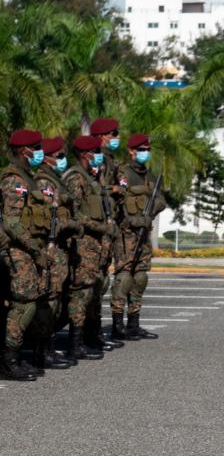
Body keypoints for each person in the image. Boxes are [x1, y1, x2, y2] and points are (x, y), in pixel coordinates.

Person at [0, 129, 50, 380]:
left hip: (29, 248)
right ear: (24, 150)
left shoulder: (29, 177)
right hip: (19, 249)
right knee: (23, 304)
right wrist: (35, 249)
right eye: (35, 147)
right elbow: (11, 223)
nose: (40, 151)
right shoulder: (15, 180)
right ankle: (9, 361)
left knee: (29, 302)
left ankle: (16, 356)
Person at [69, 132, 117, 358]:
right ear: (86, 154)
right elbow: (74, 214)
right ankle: (75, 342)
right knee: (82, 294)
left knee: (94, 291)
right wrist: (100, 228)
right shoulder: (76, 178)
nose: (100, 156)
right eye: (96, 152)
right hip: (84, 245)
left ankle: (90, 336)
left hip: (96, 246)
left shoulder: (91, 178)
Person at [112, 131, 164, 340]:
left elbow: (160, 199)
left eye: (148, 150)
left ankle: (134, 323)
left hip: (144, 234)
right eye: (142, 150)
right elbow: (118, 202)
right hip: (127, 234)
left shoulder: (150, 175)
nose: (145, 153)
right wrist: (134, 220)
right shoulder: (123, 173)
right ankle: (117, 324)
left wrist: (150, 212)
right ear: (131, 151)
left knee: (140, 277)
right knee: (124, 277)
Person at [33, 136, 77, 369]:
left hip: (60, 247)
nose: (63, 160)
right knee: (48, 300)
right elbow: (48, 220)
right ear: (48, 157)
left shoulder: (55, 180)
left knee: (55, 299)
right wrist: (71, 224)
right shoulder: (44, 183)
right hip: (50, 248)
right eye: (59, 156)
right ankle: (42, 350)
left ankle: (48, 347)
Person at [89, 118, 126, 346]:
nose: (116, 137)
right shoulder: (95, 158)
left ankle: (93, 332)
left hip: (108, 225)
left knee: (101, 280)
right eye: (112, 133)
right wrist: (112, 189)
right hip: (97, 227)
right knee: (94, 281)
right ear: (100, 136)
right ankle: (88, 333)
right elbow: (93, 188)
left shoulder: (109, 160)